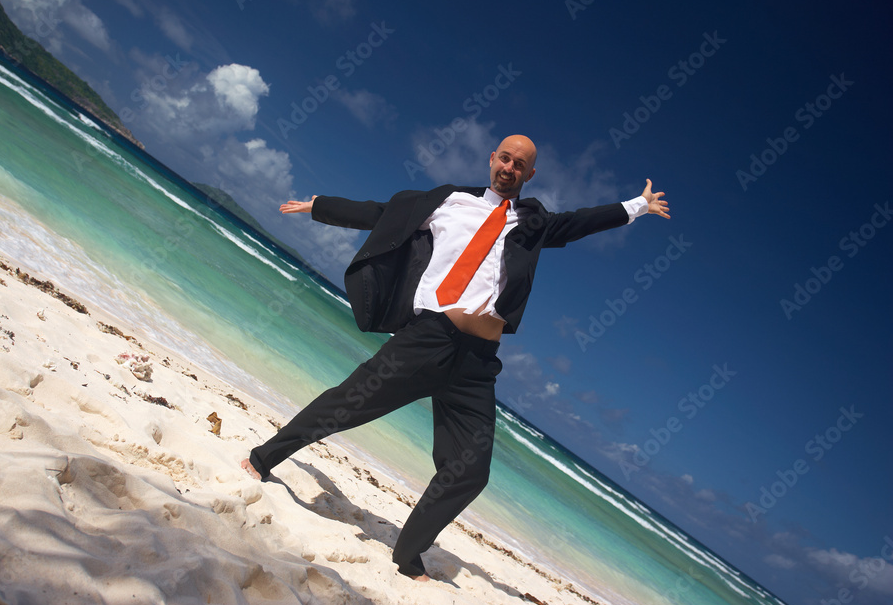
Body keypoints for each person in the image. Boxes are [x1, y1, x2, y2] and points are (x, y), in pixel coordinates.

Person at [242, 134, 670, 580]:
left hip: (478, 365)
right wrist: (320, 207)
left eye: (520, 164)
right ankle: (262, 459)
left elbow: (580, 222)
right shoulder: (449, 202)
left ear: (530, 174)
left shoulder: (533, 222)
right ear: (492, 160)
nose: (510, 168)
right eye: (505, 158)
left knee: (470, 468)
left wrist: (636, 205)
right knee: (347, 404)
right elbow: (383, 214)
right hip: (429, 338)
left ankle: (407, 552)